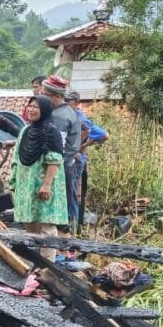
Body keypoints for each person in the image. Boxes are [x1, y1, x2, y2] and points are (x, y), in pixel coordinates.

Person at [9, 95, 68, 259]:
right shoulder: (25, 131)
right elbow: (16, 157)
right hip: (26, 185)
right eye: (30, 106)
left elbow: (54, 160)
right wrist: (14, 180)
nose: (31, 109)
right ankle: (35, 263)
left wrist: (46, 184)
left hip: (43, 184)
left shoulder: (52, 132)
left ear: (45, 110)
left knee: (45, 227)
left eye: (36, 107)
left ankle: (48, 265)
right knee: (30, 225)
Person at [40, 75, 82, 232]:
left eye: (44, 94)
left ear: (57, 96)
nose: (41, 97)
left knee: (58, 211)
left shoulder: (60, 117)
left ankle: (63, 242)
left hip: (60, 167)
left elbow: (56, 150)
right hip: (64, 164)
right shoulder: (61, 112)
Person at [66, 91, 109, 232]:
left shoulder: (79, 117)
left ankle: (72, 227)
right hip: (71, 158)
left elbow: (104, 135)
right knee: (69, 192)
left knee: (71, 193)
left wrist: (83, 146)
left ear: (77, 102)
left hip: (76, 161)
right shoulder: (68, 115)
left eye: (69, 101)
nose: (66, 104)